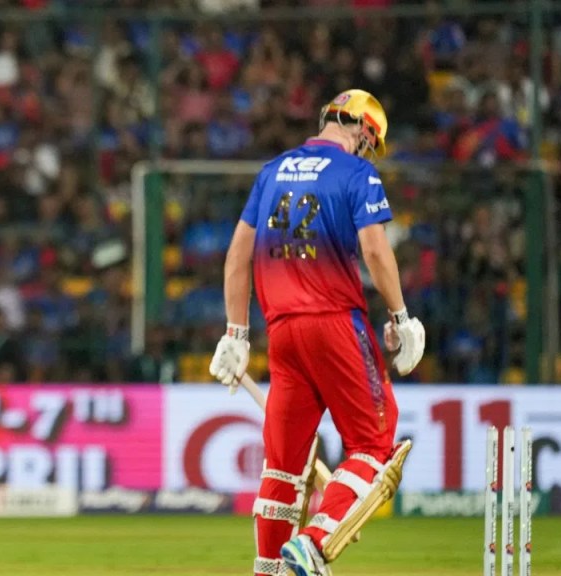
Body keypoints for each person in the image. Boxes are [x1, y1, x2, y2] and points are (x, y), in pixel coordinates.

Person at [208, 89, 425, 576]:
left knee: (282, 467)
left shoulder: (272, 171)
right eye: (371, 140)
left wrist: (236, 333)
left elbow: (238, 256)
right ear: (364, 130)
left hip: (282, 332)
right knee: (374, 443)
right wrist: (401, 317)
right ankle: (315, 541)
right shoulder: (357, 173)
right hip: (335, 323)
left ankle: (270, 571)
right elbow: (375, 251)